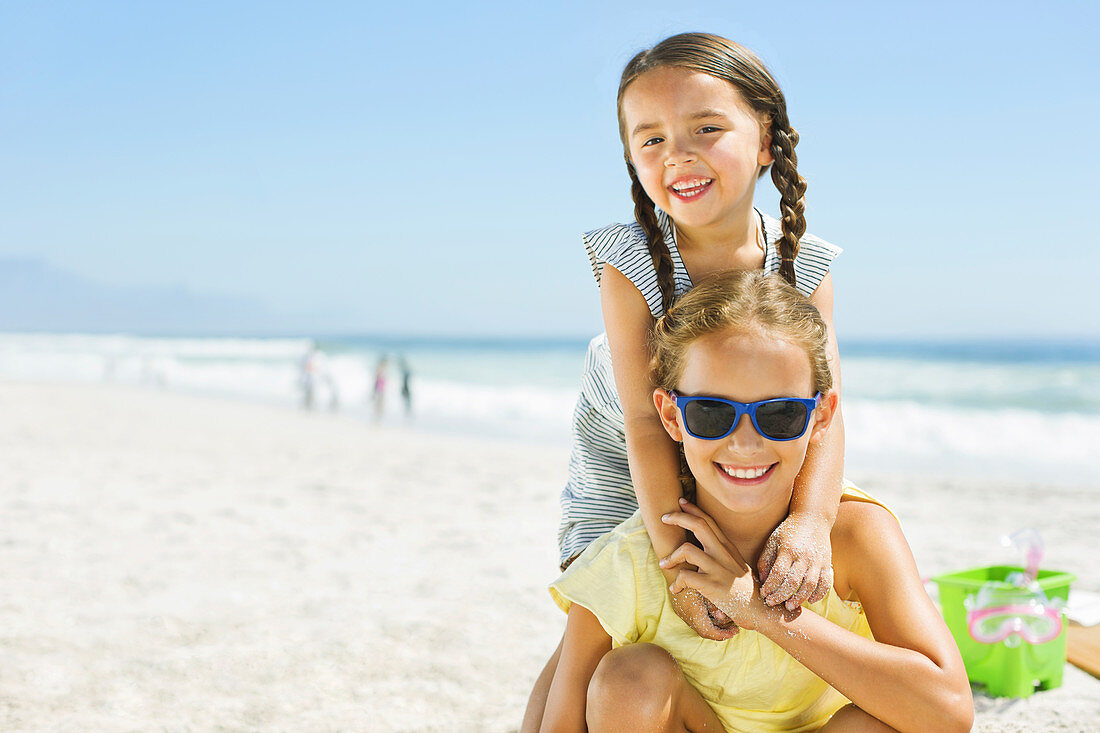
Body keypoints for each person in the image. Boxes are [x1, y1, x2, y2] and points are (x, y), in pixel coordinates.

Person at [525, 33, 852, 725]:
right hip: (627, 454)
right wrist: (672, 556)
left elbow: (828, 409)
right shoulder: (631, 263)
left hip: (730, 435)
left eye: (707, 128)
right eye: (651, 139)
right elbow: (646, 425)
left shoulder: (803, 263)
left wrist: (812, 520)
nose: (678, 152)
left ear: (765, 140)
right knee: (607, 608)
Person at [538, 270, 973, 732]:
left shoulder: (855, 535)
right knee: (629, 681)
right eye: (712, 412)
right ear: (671, 415)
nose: (745, 445)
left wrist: (762, 613)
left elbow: (947, 712)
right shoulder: (628, 562)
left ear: (821, 415)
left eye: (781, 414)